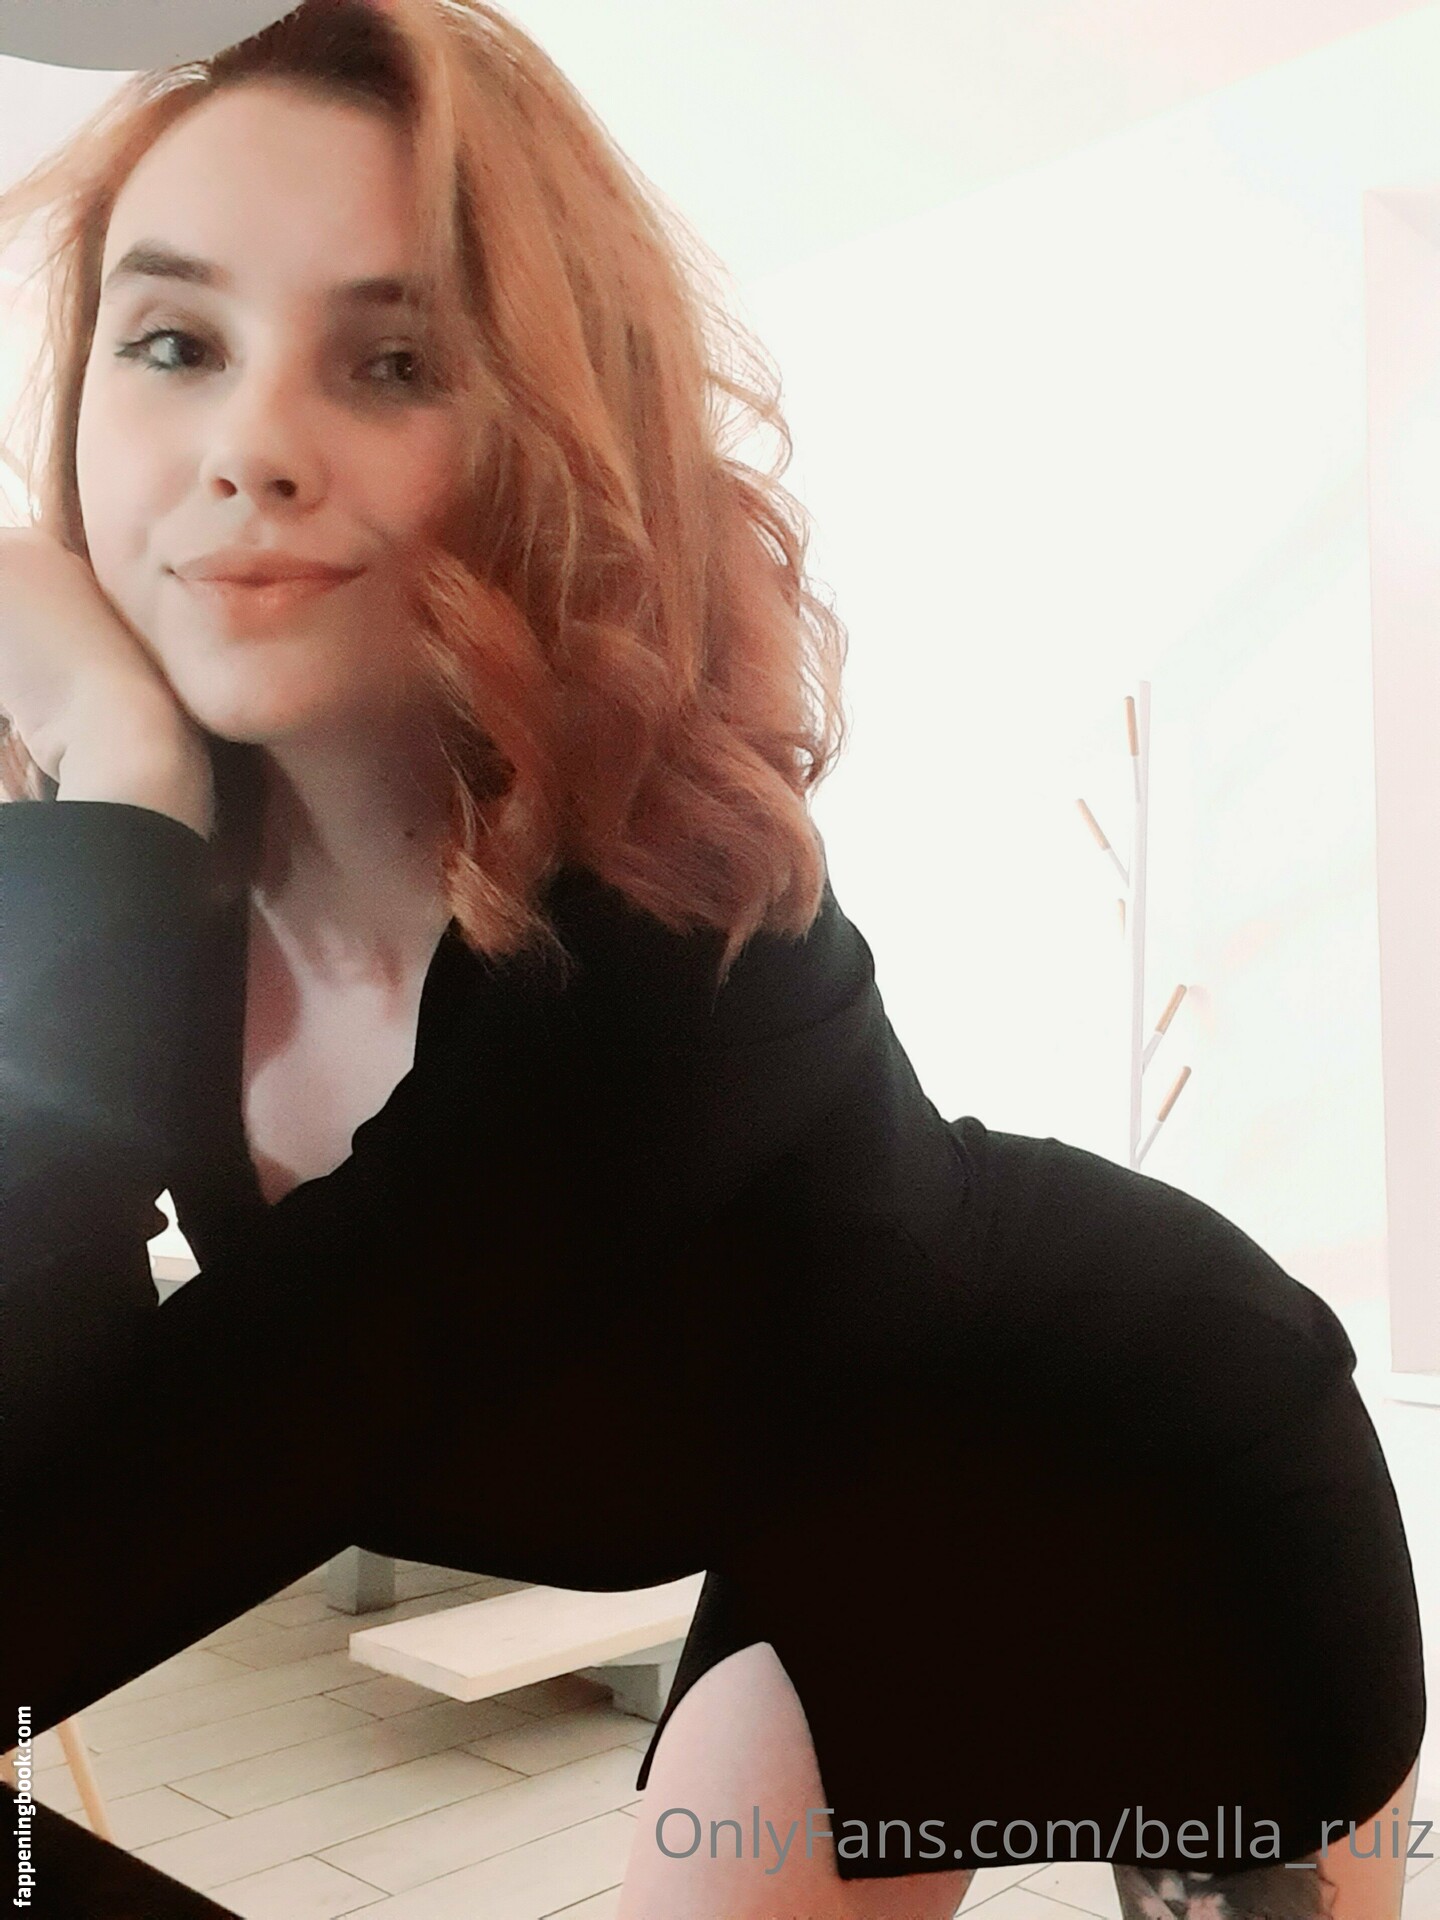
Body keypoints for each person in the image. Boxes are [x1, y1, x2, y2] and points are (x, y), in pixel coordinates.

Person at [0, 4, 1425, 1916]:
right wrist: (119, 789)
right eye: (174, 342)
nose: (248, 445)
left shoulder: (669, 959)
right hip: (834, 1536)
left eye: (395, 361)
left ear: (547, 436)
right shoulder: (143, 904)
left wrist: (108, 772)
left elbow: (58, 1551)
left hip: (1167, 1466)